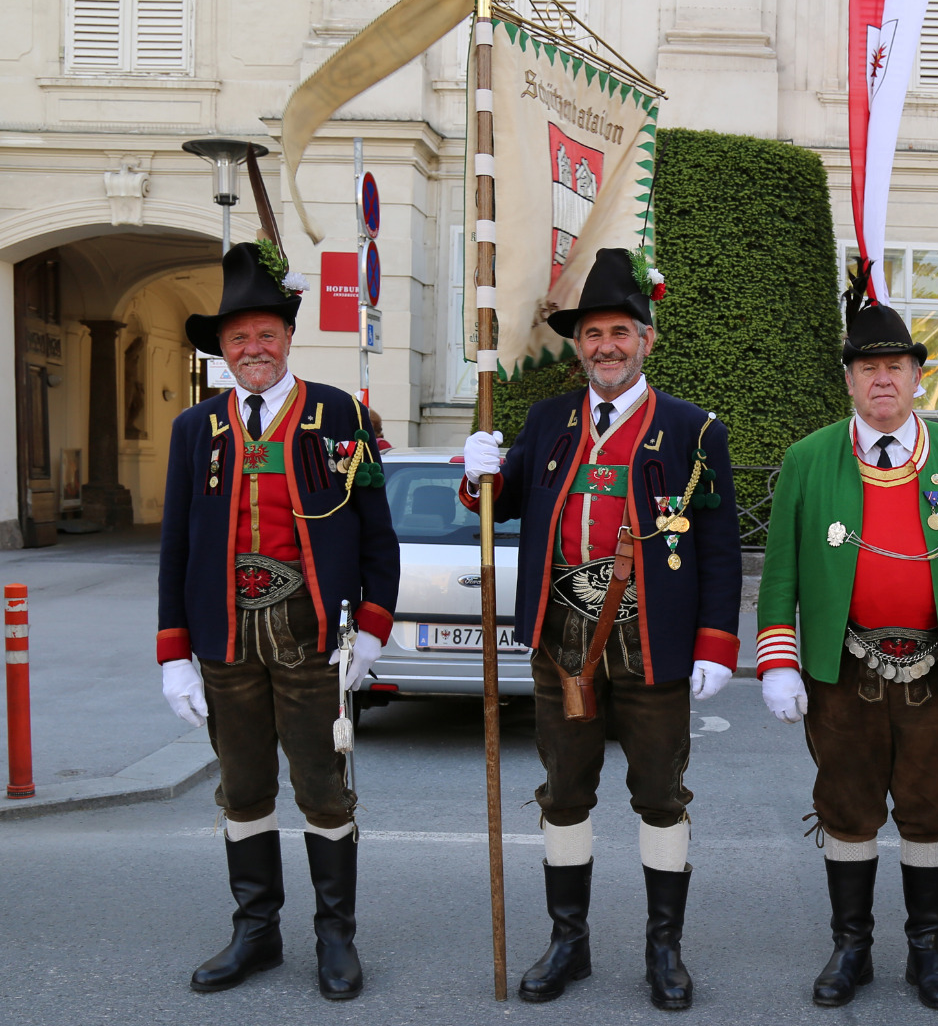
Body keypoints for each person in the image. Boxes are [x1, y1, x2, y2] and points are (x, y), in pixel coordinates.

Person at [459, 248, 742, 1011]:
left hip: (652, 643)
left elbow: (716, 545)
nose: (606, 346)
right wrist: (480, 469)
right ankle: (568, 942)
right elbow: (503, 502)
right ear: (577, 345)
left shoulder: (692, 428)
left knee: (659, 794)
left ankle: (663, 950)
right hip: (563, 647)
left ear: (647, 339)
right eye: (592, 334)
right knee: (563, 792)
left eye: (620, 330)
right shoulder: (547, 419)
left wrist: (718, 641)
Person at [754, 273, 938, 1011]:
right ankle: (852, 947)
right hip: (843, 670)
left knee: (930, 805)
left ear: (917, 377)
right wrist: (777, 660)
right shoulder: (808, 459)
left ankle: (928, 951)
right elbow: (781, 571)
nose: (882, 380)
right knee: (846, 802)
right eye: (867, 367)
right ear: (848, 379)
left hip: (935, 672)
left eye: (895, 367)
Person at [157, 240, 399, 1000]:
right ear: (222, 351)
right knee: (243, 789)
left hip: (311, 638)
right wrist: (173, 652)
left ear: (288, 336)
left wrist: (376, 630)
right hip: (225, 639)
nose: (252, 348)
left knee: (323, 792)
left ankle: (335, 937)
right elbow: (175, 544)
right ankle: (256, 931)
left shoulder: (340, 416)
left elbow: (375, 535)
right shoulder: (196, 429)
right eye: (238, 339)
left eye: (265, 334)